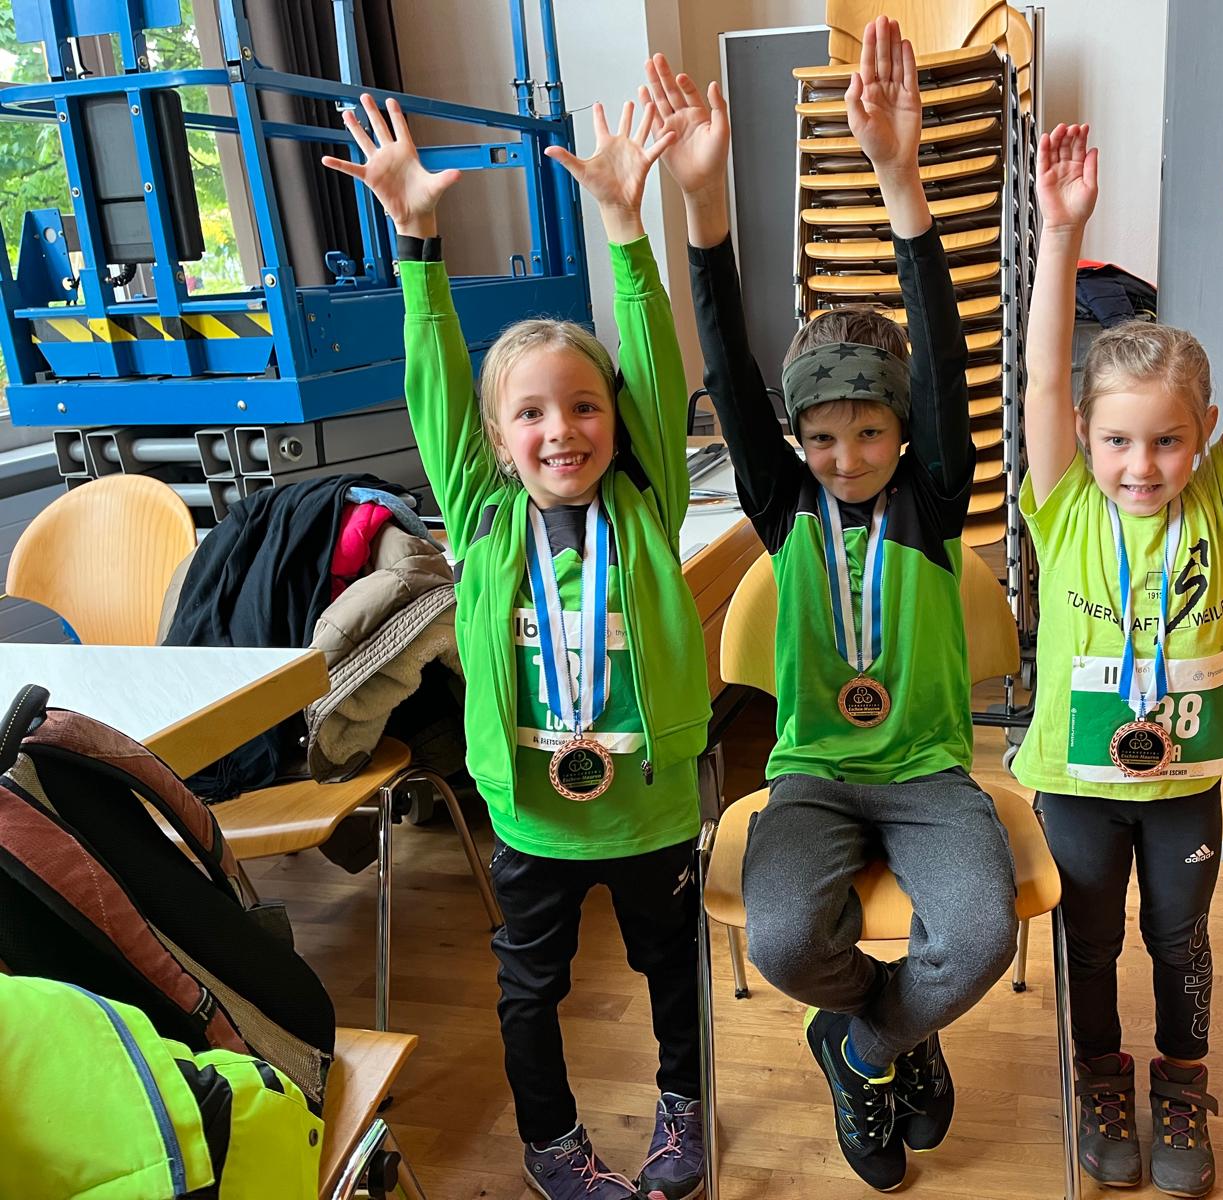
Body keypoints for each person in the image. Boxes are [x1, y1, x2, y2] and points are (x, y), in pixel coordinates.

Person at [644, 20, 1020, 1193]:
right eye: (821, 436)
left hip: (931, 776)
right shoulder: (783, 503)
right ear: (796, 442)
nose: (845, 456)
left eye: (867, 431)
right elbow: (726, 361)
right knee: (780, 938)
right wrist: (704, 205)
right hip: (811, 775)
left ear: (901, 432)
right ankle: (885, 1029)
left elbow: (947, 357)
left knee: (983, 933)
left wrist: (902, 182)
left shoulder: (934, 497)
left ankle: (866, 1047)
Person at [321, 94, 708, 1200]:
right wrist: (416, 241)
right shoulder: (486, 516)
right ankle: (550, 1143)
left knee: (670, 973)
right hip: (533, 811)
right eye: (531, 414)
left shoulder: (646, 502)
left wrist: (627, 228)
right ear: (497, 439)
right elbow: (436, 383)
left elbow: (654, 360)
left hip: (648, 806)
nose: (561, 430)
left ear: (616, 423)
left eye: (584, 407)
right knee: (530, 990)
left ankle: (684, 1108)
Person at [1017, 122, 1223, 1197]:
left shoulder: (1221, 504)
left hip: (1184, 782)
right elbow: (1039, 375)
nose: (1142, 464)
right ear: (1084, 436)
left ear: (1205, 432)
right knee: (1090, 946)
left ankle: (1182, 1083)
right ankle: (1101, 1076)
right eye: (1118, 440)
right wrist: (1059, 233)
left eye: (1169, 440)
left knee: (1180, 942)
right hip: (1077, 782)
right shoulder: (1062, 507)